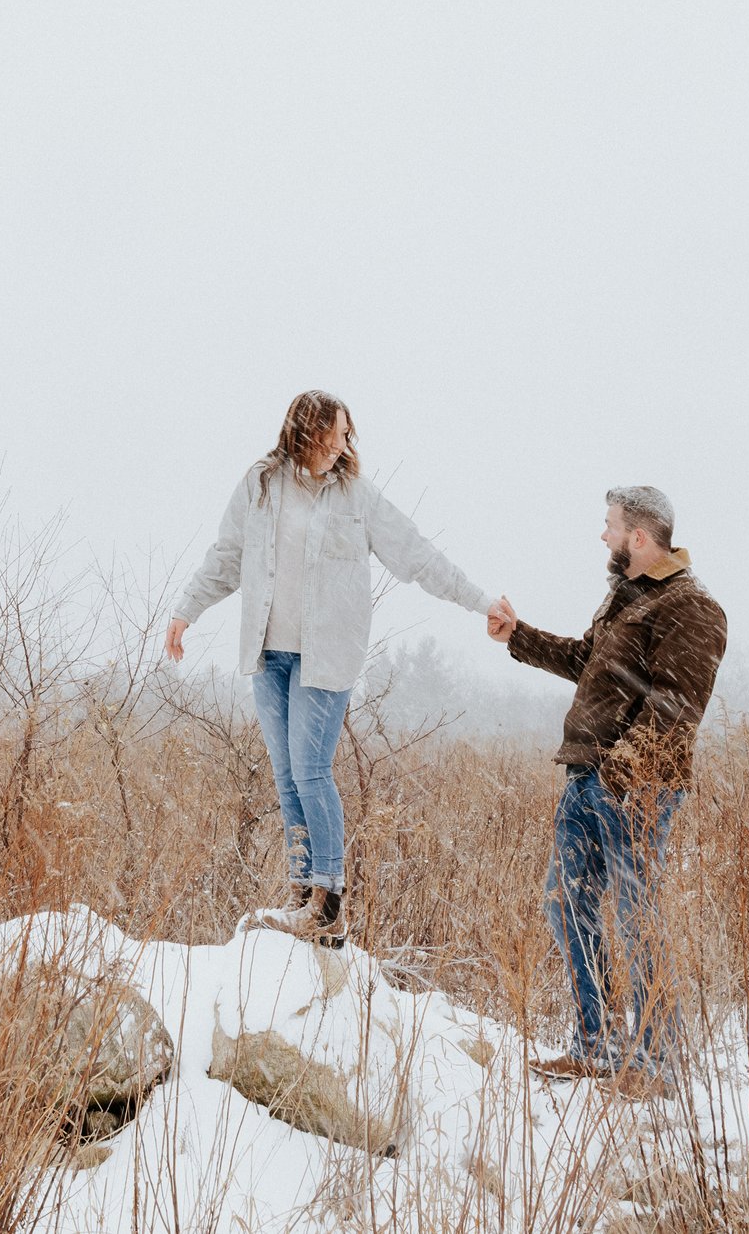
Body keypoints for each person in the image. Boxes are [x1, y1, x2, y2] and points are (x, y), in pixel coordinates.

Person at [169, 390, 506, 946]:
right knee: (285, 776)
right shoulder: (260, 484)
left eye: (344, 437)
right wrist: (187, 609)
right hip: (267, 653)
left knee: (310, 772)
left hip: (325, 657)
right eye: (327, 440)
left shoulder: (356, 496)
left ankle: (329, 905)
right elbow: (227, 557)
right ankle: (301, 894)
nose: (338, 449)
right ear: (300, 436)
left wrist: (481, 602)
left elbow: (417, 555)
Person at [487, 485, 725, 1088]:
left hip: (635, 787)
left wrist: (619, 775)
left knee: (635, 916)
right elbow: (585, 661)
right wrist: (519, 634)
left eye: (610, 526)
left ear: (638, 537)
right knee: (569, 906)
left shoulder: (690, 607)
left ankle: (656, 1062)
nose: (603, 536)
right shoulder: (626, 598)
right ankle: (596, 1045)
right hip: (586, 776)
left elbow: (676, 709)